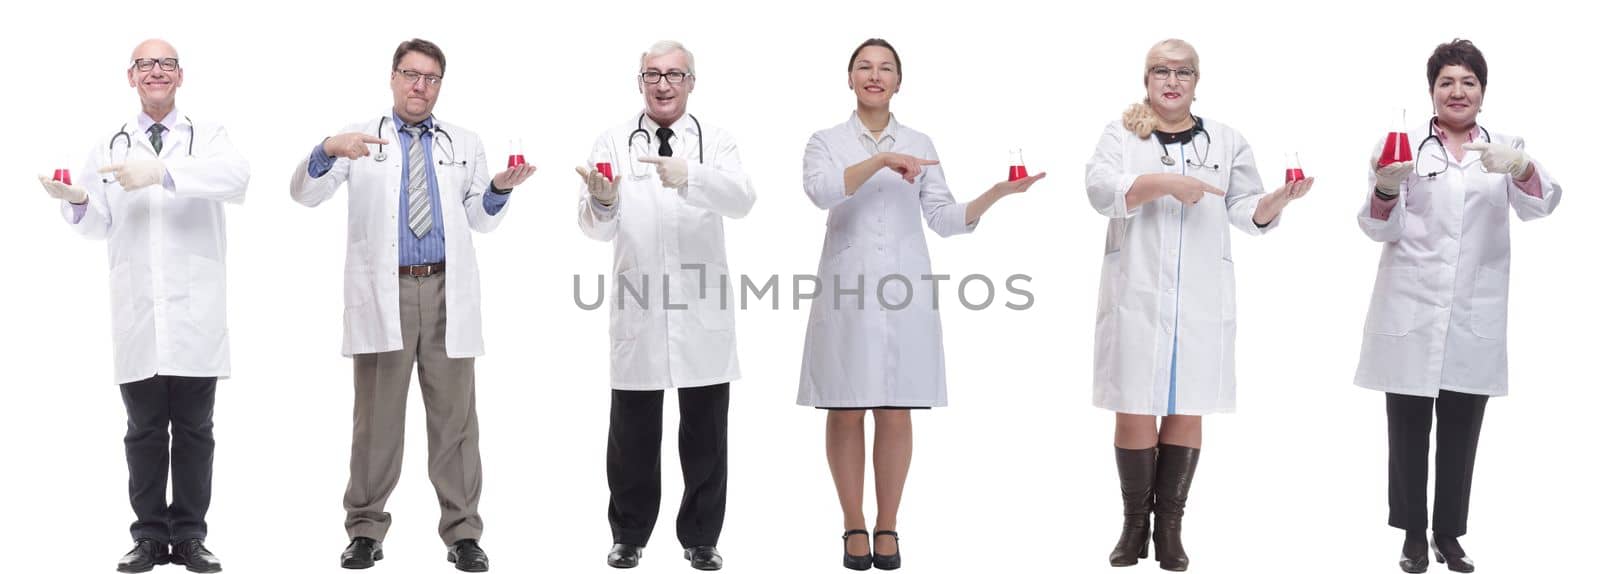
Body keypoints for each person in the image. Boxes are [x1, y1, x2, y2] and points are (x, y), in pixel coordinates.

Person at [289, 38, 535, 573]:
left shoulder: (464, 141)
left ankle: (463, 532)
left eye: (431, 77)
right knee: (376, 420)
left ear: (440, 84)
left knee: (456, 420)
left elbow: (481, 219)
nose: (420, 85)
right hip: (387, 291)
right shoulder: (361, 140)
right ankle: (365, 529)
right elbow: (303, 195)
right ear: (393, 78)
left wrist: (497, 188)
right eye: (410, 74)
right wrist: (329, 148)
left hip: (448, 290)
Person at [797, 38, 1043, 571]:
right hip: (847, 289)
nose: (875, 75)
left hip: (904, 289)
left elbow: (945, 218)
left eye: (886, 67)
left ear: (899, 82)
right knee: (844, 405)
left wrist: (994, 195)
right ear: (849, 78)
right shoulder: (826, 141)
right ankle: (852, 524)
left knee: (896, 405)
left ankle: (887, 524)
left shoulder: (921, 141)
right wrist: (881, 159)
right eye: (864, 66)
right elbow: (820, 192)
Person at [1085, 38, 1312, 572]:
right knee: (1135, 404)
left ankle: (1169, 529)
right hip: (1136, 291)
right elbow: (1100, 191)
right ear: (1146, 80)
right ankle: (1134, 524)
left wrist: (1275, 202)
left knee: (1187, 403)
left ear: (1196, 81)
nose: (1172, 80)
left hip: (1201, 295)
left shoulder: (1226, 140)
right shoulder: (1121, 133)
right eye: (1161, 70)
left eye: (1182, 71)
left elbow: (1245, 208)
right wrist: (1164, 182)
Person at [36, 38, 249, 574]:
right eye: (146, 64)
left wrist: (164, 173)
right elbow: (100, 224)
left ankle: (192, 537)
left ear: (181, 76)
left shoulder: (208, 137)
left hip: (195, 314)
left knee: (196, 430)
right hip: (140, 315)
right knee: (144, 431)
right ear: (130, 77)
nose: (157, 71)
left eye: (167, 64)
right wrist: (80, 202)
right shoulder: (112, 142)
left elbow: (236, 179)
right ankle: (151, 538)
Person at [1355, 39, 1561, 574]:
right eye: (1447, 81)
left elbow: (1542, 205)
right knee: (1406, 429)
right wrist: (1382, 186)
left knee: (1461, 429)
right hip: (1410, 308)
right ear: (1432, 92)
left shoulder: (1505, 146)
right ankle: (1411, 536)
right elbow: (1381, 227)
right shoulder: (1401, 146)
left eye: (1468, 81)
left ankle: (1448, 536)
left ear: (1482, 92)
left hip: (1473, 310)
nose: (1457, 91)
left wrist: (1518, 167)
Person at [576, 40, 756, 572]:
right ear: (640, 81)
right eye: (653, 74)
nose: (663, 84)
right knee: (632, 435)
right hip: (640, 309)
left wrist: (691, 176)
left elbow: (743, 199)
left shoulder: (715, 142)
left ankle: (701, 537)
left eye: (675, 75)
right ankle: (628, 535)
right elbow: (594, 227)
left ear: (691, 83)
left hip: (702, 312)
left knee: (705, 436)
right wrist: (604, 200)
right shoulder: (612, 139)